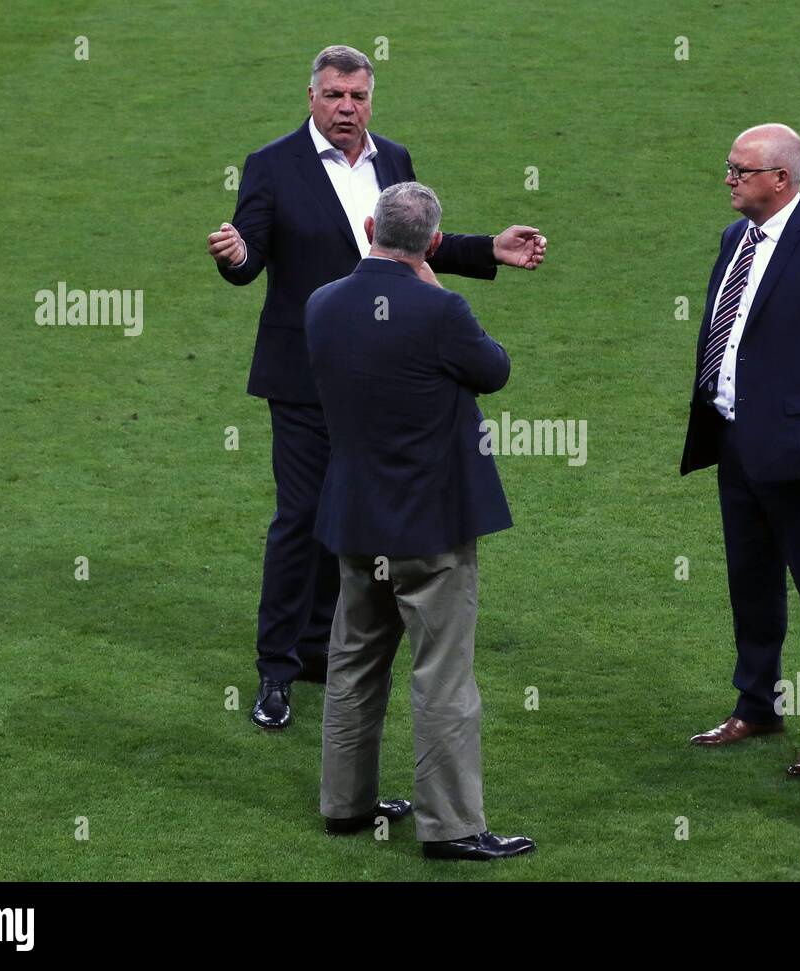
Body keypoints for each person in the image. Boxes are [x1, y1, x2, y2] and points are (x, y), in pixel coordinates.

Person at [206, 45, 546, 732]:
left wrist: (488, 250)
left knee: (348, 515)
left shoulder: (393, 159)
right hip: (305, 376)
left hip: (381, 377)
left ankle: (318, 650)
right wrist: (239, 256)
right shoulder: (273, 166)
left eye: (358, 96)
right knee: (301, 517)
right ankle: (275, 669)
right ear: (311, 97)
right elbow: (250, 252)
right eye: (334, 95)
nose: (346, 108)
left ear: (371, 98)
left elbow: (412, 241)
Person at [306, 182, 535, 862]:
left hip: (355, 519)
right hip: (430, 525)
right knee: (442, 675)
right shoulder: (440, 310)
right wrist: (433, 285)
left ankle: (345, 805)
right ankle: (453, 826)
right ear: (433, 242)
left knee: (352, 664)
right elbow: (494, 369)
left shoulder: (322, 303)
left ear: (372, 224)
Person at [681, 124, 800, 775]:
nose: (728, 179)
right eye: (729, 167)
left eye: (740, 170)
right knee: (751, 586)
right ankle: (756, 703)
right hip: (738, 447)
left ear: (781, 179)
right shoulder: (737, 237)